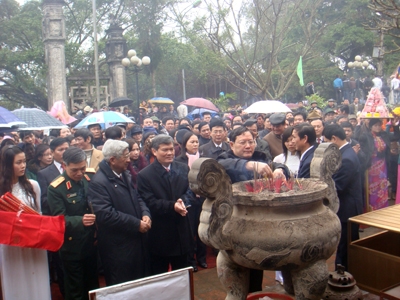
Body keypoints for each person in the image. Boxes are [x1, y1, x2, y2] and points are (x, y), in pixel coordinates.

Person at [217, 127, 288, 294]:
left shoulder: (260, 156)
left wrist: (280, 170)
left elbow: (275, 163)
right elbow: (220, 164)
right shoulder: (224, 158)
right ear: (232, 144)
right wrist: (248, 165)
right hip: (234, 222)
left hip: (258, 222)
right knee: (237, 272)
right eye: (243, 142)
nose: (248, 146)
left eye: (251, 142)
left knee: (257, 265)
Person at [88, 139, 151, 285]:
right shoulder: (99, 182)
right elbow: (105, 214)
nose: (129, 160)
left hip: (136, 242)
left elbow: (137, 197)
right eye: (125, 156)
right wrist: (136, 224)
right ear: (112, 160)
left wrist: (146, 214)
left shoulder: (124, 174)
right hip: (118, 248)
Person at [137, 135, 194, 275]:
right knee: (160, 275)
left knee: (182, 274)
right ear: (154, 151)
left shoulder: (182, 168)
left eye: (171, 149)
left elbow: (190, 190)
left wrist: (183, 202)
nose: (169, 153)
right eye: (165, 150)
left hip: (182, 231)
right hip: (161, 234)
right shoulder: (145, 175)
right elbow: (149, 201)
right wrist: (172, 206)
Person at [0, 145, 51, 300]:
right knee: (15, 279)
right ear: (7, 165)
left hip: (33, 241)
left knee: (37, 277)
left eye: (24, 161)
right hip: (10, 243)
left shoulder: (33, 186)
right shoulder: (2, 190)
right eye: (18, 162)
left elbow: (39, 214)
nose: (23, 166)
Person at [47, 147, 99, 300]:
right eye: (74, 170)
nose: (79, 173)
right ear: (64, 166)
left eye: (82, 168)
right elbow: (58, 218)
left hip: (91, 241)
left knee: (92, 284)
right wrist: (79, 221)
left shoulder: (89, 176)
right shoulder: (56, 188)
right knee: (75, 288)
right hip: (72, 245)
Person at [323, 124, 363, 270]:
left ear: (334, 139)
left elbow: (337, 186)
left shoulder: (346, 158)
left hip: (347, 209)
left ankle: (344, 277)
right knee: (348, 244)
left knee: (345, 245)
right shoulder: (346, 153)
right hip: (348, 206)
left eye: (326, 141)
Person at [175, 132, 207, 272]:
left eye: (196, 142)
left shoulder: (204, 159)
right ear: (184, 144)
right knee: (190, 231)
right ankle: (191, 260)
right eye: (191, 142)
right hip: (188, 199)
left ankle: (202, 258)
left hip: (203, 199)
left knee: (203, 230)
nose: (195, 144)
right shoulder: (179, 161)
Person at [358, 118, 390, 211]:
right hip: (371, 165)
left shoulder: (384, 135)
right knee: (371, 188)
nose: (378, 127)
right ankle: (371, 209)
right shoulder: (365, 136)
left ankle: (382, 209)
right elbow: (363, 151)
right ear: (371, 126)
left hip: (382, 165)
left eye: (379, 125)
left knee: (382, 187)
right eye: (375, 125)